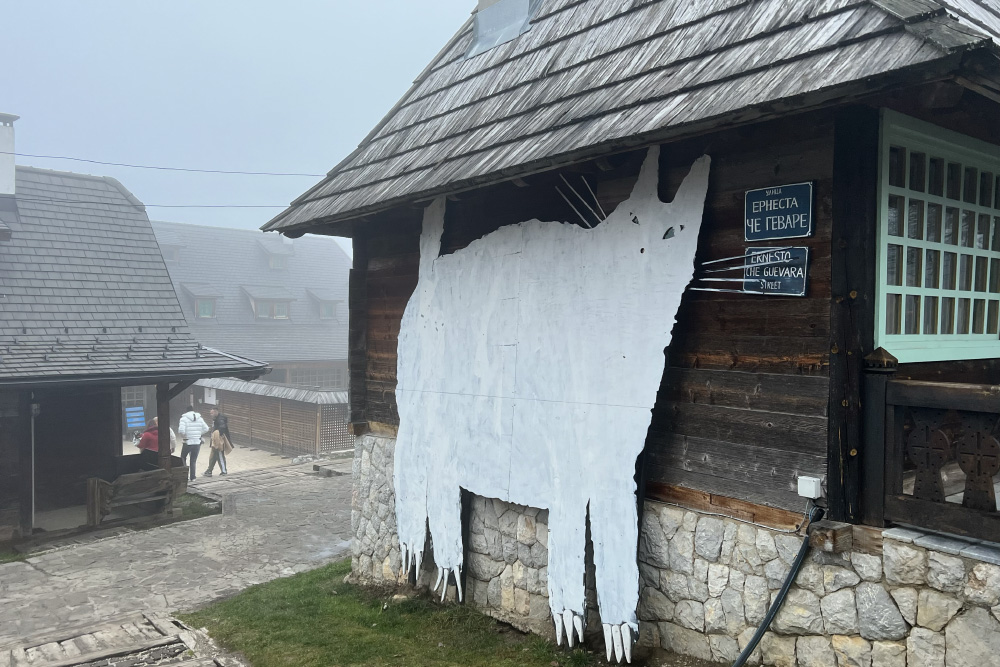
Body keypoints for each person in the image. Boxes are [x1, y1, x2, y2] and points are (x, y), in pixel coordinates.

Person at [177, 406, 209, 481]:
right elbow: (206, 428)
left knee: (183, 458)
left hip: (187, 442)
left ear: (186, 411)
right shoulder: (200, 418)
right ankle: (193, 477)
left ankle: (185, 476)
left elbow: (181, 431)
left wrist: (184, 436)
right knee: (193, 460)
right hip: (197, 442)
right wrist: (198, 434)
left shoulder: (183, 419)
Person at [204, 406, 232, 477]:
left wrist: (218, 439)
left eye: (212, 413)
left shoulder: (220, 419)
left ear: (216, 411)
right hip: (215, 441)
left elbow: (221, 429)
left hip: (218, 441)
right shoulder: (215, 419)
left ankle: (224, 471)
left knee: (220, 455)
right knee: (213, 456)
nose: (211, 414)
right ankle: (209, 471)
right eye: (210, 413)